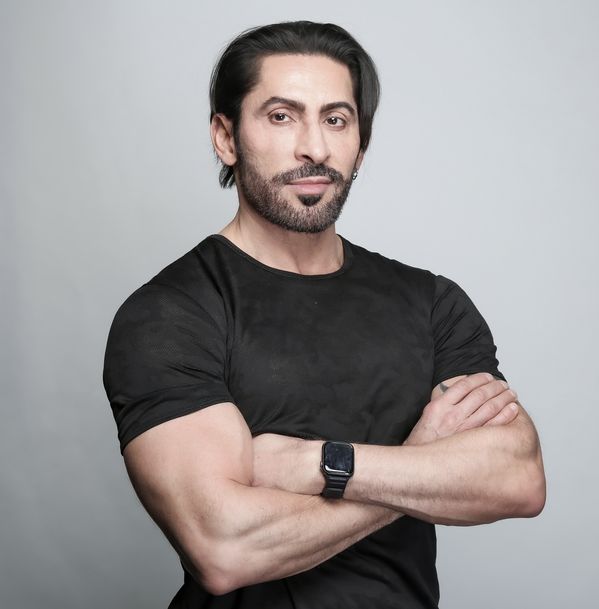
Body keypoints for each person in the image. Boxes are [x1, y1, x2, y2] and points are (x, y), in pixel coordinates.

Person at [103, 20, 545, 609]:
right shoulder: (169, 315)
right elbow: (224, 547)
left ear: (361, 144)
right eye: (281, 116)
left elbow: (518, 478)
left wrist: (321, 463)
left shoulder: (432, 303)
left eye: (336, 119)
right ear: (226, 137)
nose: (314, 147)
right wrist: (419, 464)